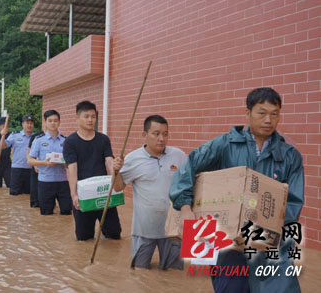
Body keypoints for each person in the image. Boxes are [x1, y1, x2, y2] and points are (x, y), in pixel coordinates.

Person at [169, 87, 304, 293]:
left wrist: (265, 232)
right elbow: (189, 165)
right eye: (262, 113)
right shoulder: (225, 144)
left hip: (268, 247)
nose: (268, 120)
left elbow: (293, 202)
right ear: (247, 113)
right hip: (229, 244)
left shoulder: (289, 156)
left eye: (274, 114)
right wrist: (186, 208)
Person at [114, 115, 186, 270]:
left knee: (174, 273)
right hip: (144, 228)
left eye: (165, 134)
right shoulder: (133, 159)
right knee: (139, 272)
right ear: (144, 135)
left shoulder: (179, 156)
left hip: (173, 229)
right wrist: (115, 171)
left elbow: (188, 184)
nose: (161, 138)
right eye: (156, 133)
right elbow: (118, 187)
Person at [62, 100, 122, 241]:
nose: (90, 120)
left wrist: (115, 170)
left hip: (103, 191)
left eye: (93, 116)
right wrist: (73, 195)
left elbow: (108, 161)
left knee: (114, 234)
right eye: (86, 116)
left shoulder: (103, 139)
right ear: (77, 118)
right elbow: (72, 169)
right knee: (84, 238)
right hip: (83, 193)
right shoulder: (70, 142)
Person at [28, 110, 71, 215]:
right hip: (45, 182)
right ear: (45, 122)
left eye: (55, 121)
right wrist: (44, 163)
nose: (53, 123)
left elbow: (71, 161)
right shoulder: (38, 140)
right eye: (50, 121)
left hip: (63, 182)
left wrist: (66, 163)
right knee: (46, 215)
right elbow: (30, 160)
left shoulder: (66, 141)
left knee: (66, 213)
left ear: (59, 122)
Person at [1, 115, 34, 195]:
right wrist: (3, 136)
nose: (29, 125)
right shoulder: (15, 135)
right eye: (27, 123)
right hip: (17, 169)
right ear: (23, 124)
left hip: (31, 169)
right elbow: (3, 146)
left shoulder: (36, 137)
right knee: (14, 194)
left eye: (31, 123)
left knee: (28, 194)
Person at [27, 121, 46, 208]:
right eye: (49, 121)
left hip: (49, 170)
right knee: (35, 190)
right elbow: (29, 154)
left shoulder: (59, 138)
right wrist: (35, 165)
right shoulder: (36, 137)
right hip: (37, 167)